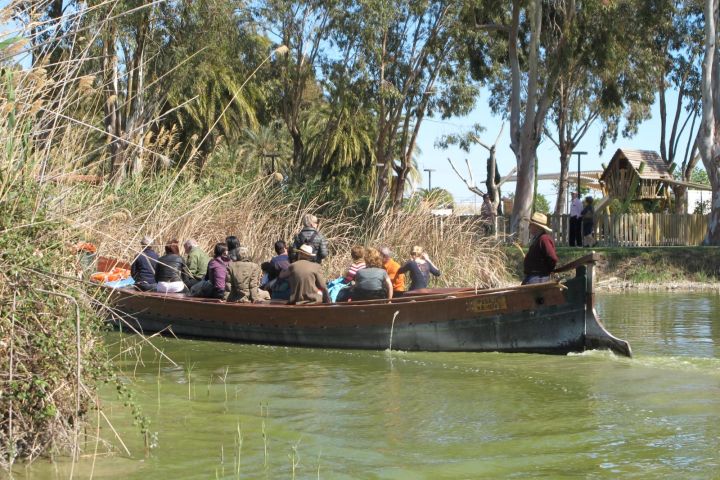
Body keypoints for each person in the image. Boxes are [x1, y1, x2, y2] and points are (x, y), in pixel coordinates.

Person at [522, 212, 558, 285]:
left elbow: (552, 258)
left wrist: (548, 270)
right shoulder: (539, 239)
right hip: (534, 277)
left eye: (531, 224)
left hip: (539, 278)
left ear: (537, 227)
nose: (529, 227)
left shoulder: (544, 239)